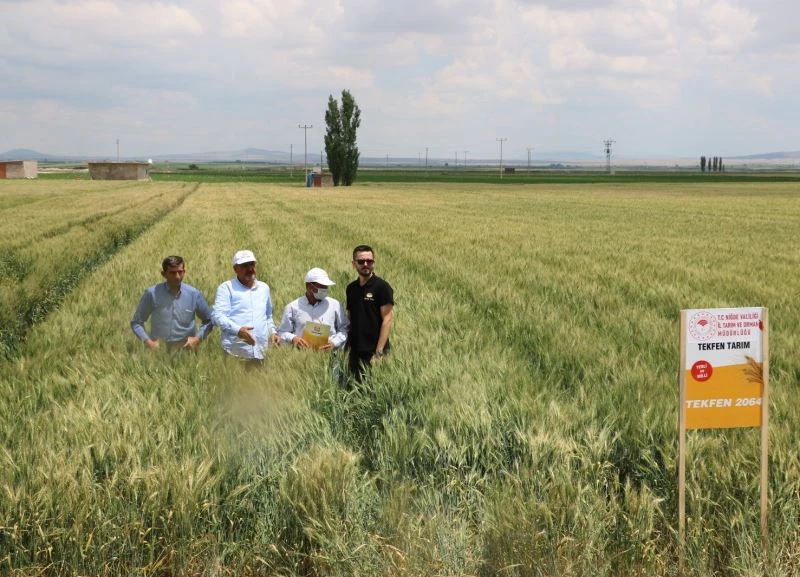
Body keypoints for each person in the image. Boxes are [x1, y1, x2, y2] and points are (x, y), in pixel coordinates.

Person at [130, 255, 213, 351]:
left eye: (180, 272)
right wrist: (148, 342)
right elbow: (136, 322)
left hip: (186, 350)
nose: (177, 276)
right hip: (159, 351)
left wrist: (197, 338)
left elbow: (209, 321)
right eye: (172, 273)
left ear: (184, 272)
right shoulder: (152, 294)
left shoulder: (194, 294)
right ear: (163, 274)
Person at [212, 249, 278, 363]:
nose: (250, 269)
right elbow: (218, 316)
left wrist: (272, 332)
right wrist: (238, 330)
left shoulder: (264, 288)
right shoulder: (226, 288)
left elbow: (267, 315)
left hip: (261, 351)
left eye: (252, 264)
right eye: (244, 265)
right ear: (235, 269)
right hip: (235, 353)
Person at [345, 244, 394, 380]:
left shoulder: (382, 287)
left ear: (374, 262)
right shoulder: (351, 288)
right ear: (354, 264)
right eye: (361, 261)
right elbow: (351, 317)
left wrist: (378, 353)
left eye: (369, 261)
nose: (365, 264)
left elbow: (387, 320)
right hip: (355, 350)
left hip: (374, 351)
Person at [278, 267, 349, 350]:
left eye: (326, 286)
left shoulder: (335, 305)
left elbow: (344, 329)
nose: (325, 289)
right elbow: (282, 332)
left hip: (329, 356)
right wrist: (293, 338)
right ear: (308, 286)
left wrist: (334, 343)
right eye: (321, 286)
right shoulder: (292, 307)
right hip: (301, 356)